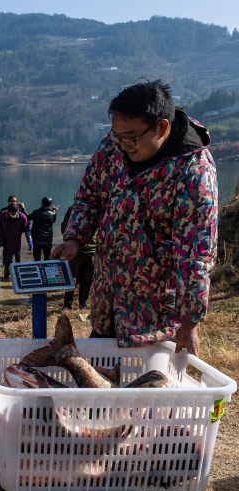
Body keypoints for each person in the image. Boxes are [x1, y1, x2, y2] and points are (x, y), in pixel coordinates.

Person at [51, 80, 217, 355]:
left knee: (146, 393)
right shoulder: (113, 146)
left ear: (161, 128)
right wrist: (75, 238)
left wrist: (190, 322)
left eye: (130, 138)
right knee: (100, 389)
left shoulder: (193, 172)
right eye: (116, 136)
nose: (121, 145)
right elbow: (89, 196)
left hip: (154, 318)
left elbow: (196, 255)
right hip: (107, 305)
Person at [60, 204, 94, 310]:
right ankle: (77, 305)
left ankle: (71, 305)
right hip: (84, 250)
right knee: (79, 279)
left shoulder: (74, 208)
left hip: (88, 250)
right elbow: (64, 228)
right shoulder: (74, 208)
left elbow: (64, 228)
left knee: (75, 278)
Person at [0, 195, 26, 276]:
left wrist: (23, 208)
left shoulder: (19, 211)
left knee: (9, 257)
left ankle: (7, 275)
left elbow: (26, 221)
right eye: (12, 201)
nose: (13, 202)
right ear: (8, 201)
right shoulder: (3, 211)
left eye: (15, 201)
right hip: (2, 236)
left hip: (13, 238)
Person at [0, 203, 32, 280]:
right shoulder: (3, 215)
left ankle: (17, 277)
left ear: (18, 210)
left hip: (15, 240)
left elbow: (27, 230)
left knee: (16, 258)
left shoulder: (22, 217)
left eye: (15, 213)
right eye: (11, 213)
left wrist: (30, 242)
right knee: (4, 257)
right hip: (3, 238)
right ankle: (2, 273)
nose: (13, 215)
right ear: (8, 212)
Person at [26, 197, 58, 261]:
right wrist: (54, 210)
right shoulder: (52, 214)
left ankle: (38, 270)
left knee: (37, 258)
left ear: (41, 203)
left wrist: (22, 208)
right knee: (47, 257)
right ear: (50, 204)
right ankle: (46, 270)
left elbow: (27, 218)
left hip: (37, 238)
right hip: (48, 239)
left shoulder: (36, 213)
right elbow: (53, 221)